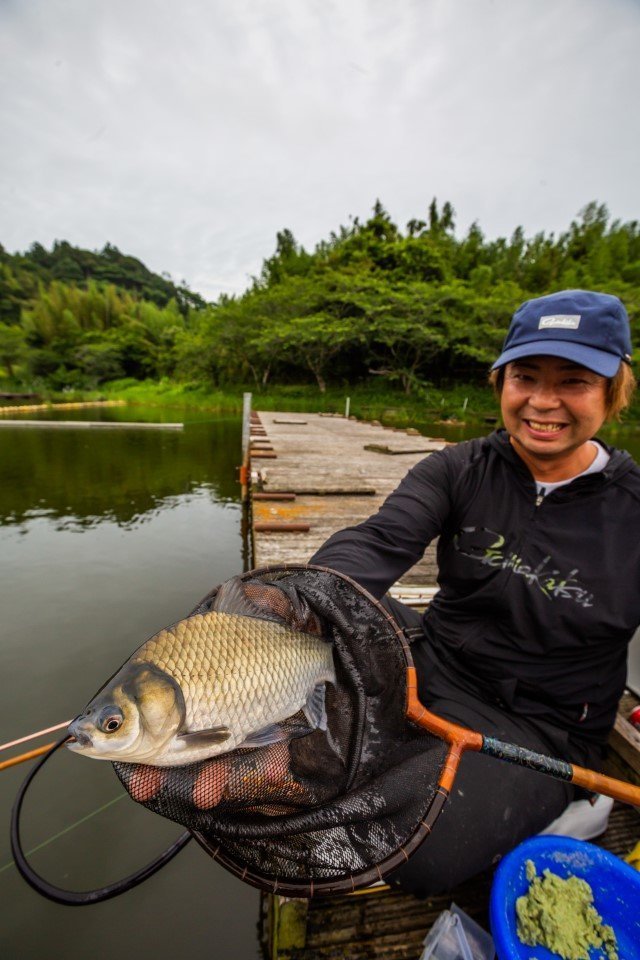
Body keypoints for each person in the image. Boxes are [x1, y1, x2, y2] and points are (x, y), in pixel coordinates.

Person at [310, 289, 639, 896]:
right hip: (434, 663)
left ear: (614, 389)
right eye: (525, 376)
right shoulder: (457, 468)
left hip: (544, 725)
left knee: (415, 856)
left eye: (573, 380)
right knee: (334, 617)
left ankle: (554, 812)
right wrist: (302, 599)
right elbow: (376, 542)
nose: (543, 401)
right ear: (500, 381)